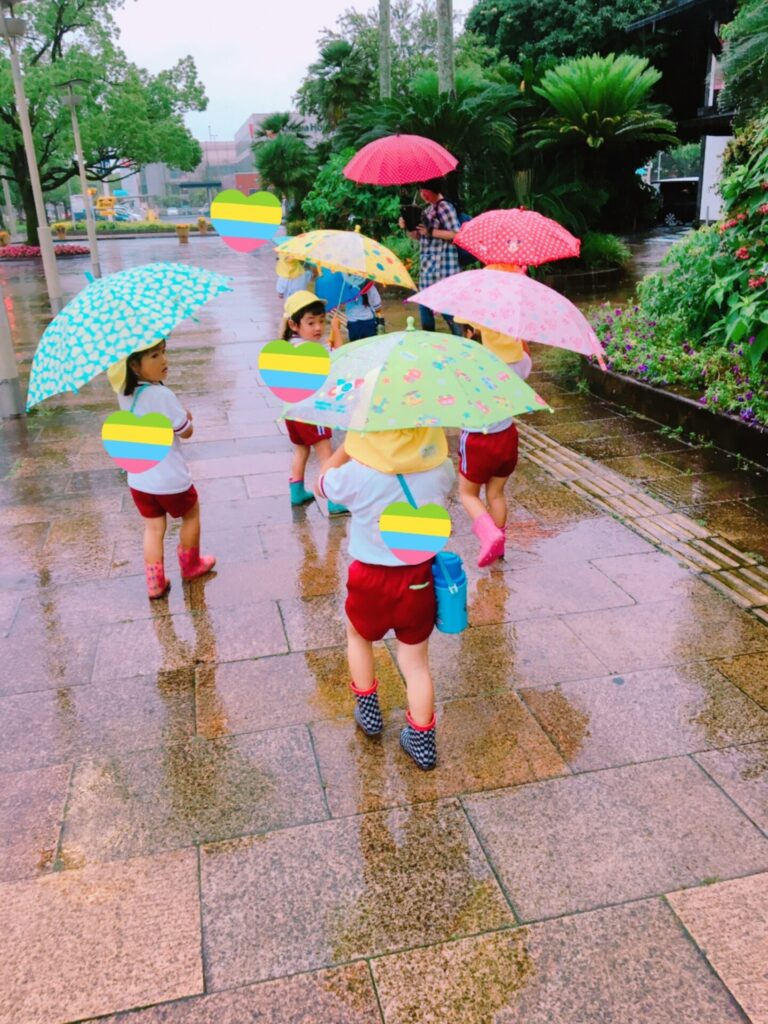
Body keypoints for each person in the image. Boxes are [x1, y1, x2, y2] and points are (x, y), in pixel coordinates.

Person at [316, 427, 455, 771]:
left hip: (369, 579)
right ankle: (422, 743)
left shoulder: (356, 474)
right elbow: (448, 483)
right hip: (417, 581)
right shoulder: (440, 469)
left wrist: (347, 447)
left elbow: (322, 483)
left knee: (358, 636)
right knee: (416, 664)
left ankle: (369, 713)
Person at [107, 339, 215, 600]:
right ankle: (190, 565)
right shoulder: (162, 395)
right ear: (134, 365)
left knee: (153, 529)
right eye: (155, 356)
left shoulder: (124, 393)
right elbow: (185, 431)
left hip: (139, 480)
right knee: (191, 514)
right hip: (170, 479)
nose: (164, 360)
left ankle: (154, 582)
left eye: (164, 352)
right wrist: (186, 417)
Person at [455, 318, 520, 568]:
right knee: (495, 493)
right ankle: (499, 547)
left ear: (472, 333)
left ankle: (489, 534)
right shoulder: (515, 360)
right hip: (507, 436)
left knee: (467, 493)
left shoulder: (463, 364)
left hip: (477, 440)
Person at [282, 290, 347, 513]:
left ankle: (297, 491)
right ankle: (334, 499)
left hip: (292, 412)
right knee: (326, 455)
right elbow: (340, 357)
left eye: (322, 321)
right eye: (311, 323)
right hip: (312, 413)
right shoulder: (311, 350)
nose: (318, 327)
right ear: (293, 324)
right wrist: (336, 331)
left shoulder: (290, 345)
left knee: (301, 450)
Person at [399, 177, 461, 335]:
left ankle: (463, 341)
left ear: (434, 189)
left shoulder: (445, 207)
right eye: (421, 190)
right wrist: (407, 227)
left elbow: (456, 234)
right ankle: (428, 341)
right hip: (428, 269)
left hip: (444, 269)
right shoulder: (426, 210)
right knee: (425, 308)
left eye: (425, 190)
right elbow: (417, 236)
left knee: (449, 312)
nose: (423, 194)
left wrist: (431, 231)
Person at [343, 276, 382, 341]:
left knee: (356, 346)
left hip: (353, 325)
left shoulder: (346, 287)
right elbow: (378, 307)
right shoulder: (370, 287)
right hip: (368, 324)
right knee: (370, 346)